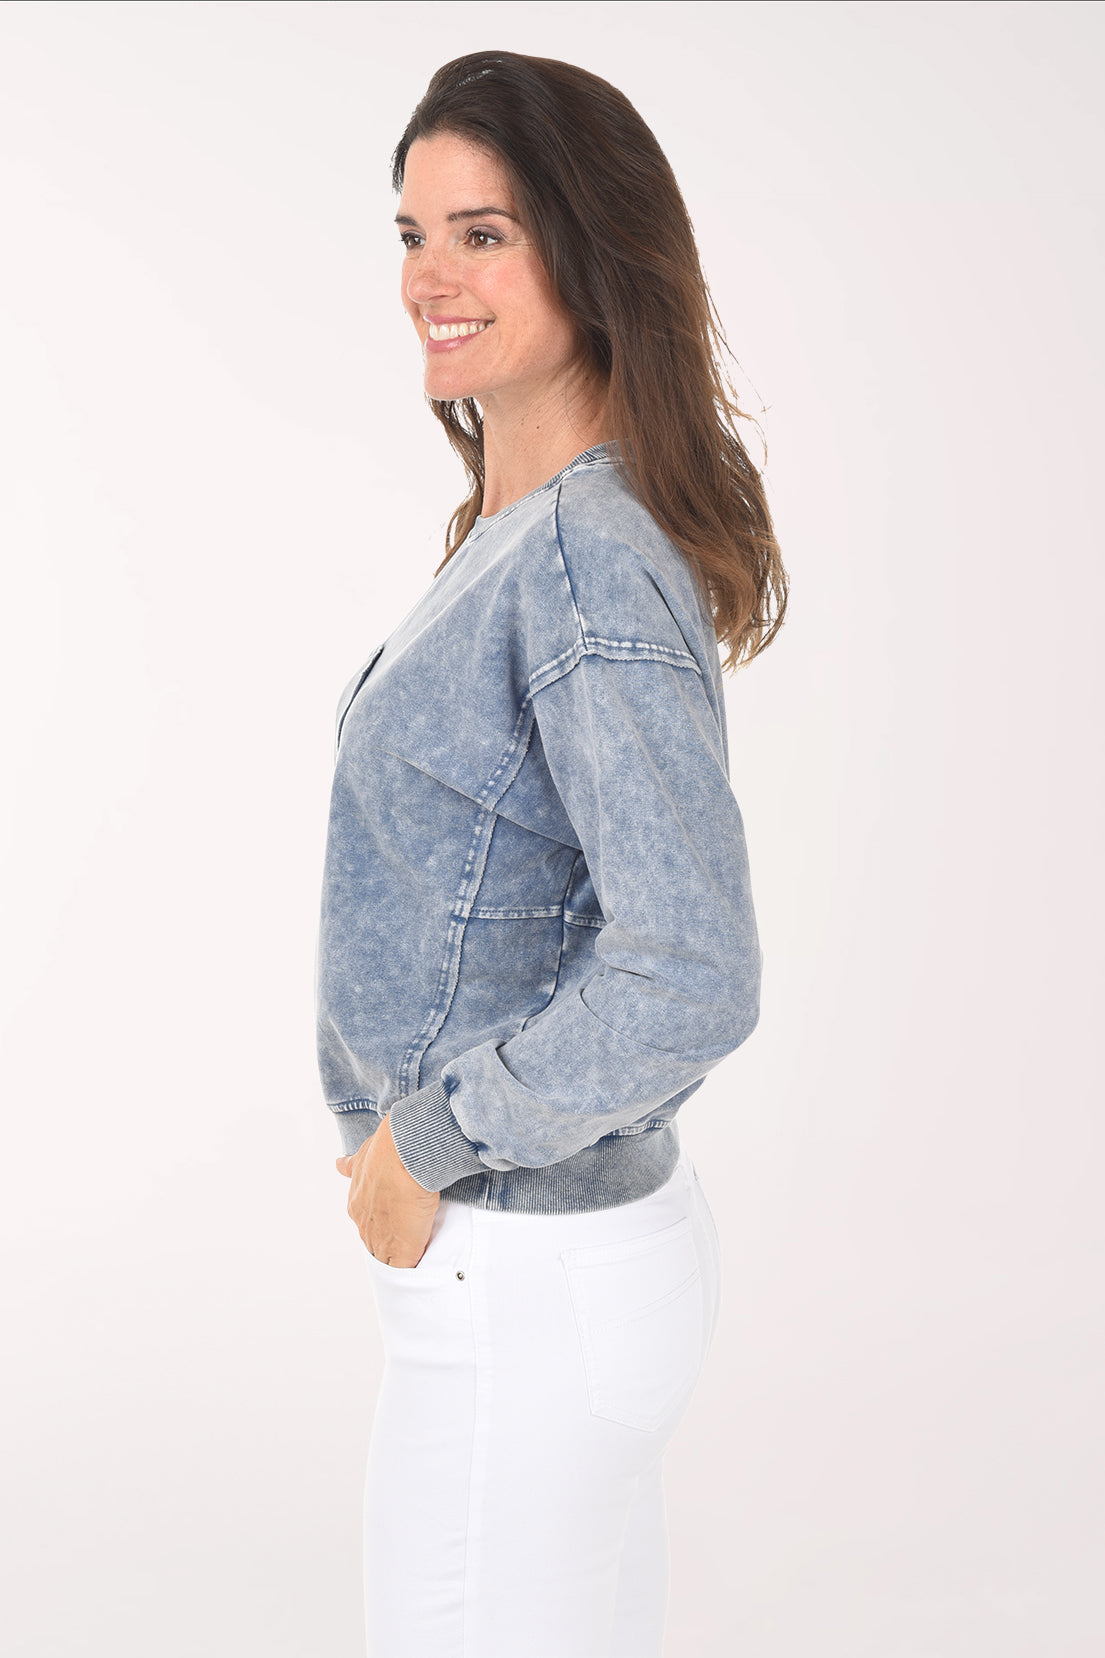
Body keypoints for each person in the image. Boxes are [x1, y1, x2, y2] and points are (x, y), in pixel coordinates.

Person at [317, 49, 787, 1658]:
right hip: (533, 1272)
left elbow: (689, 969)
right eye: (409, 233)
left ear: (590, 253)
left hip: (528, 1276)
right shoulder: (525, 534)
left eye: (483, 236)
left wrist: (429, 1139)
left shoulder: (581, 559)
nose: (427, 281)